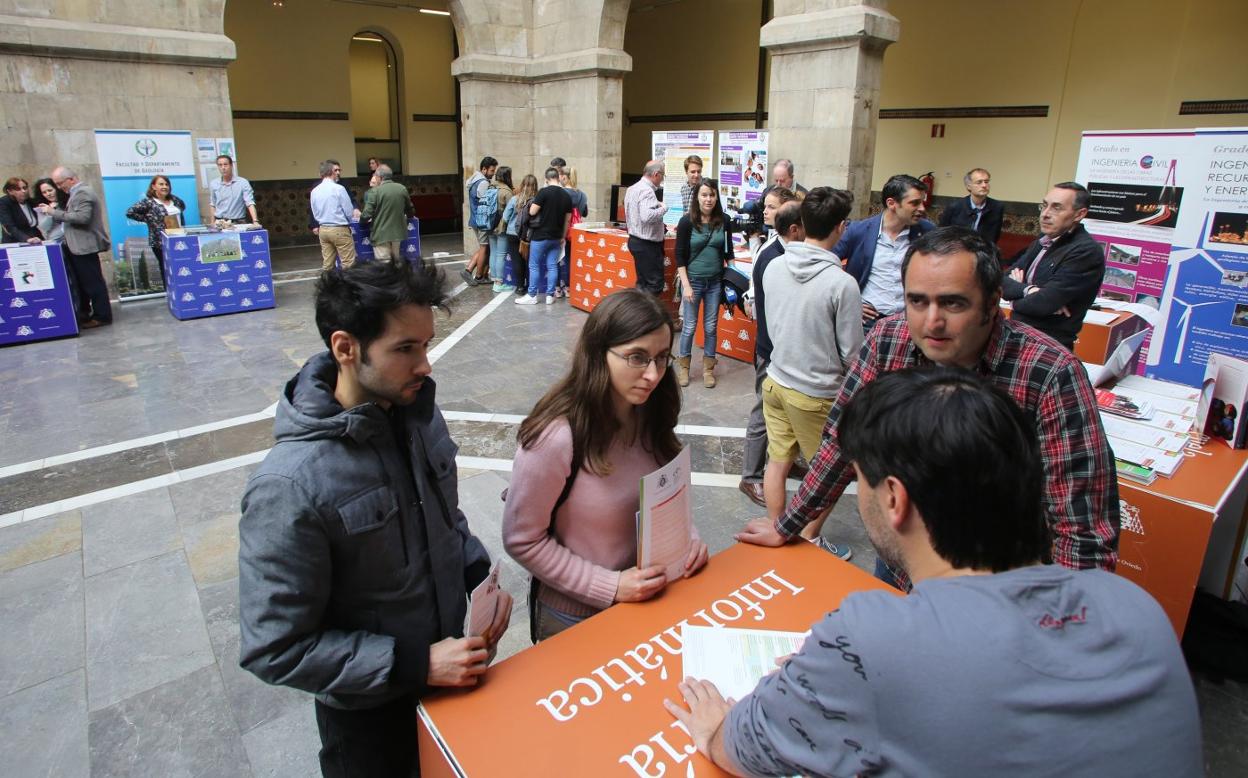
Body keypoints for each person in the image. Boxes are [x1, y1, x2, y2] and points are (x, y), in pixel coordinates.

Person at [668, 367, 1202, 778]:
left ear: (894, 497)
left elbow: (743, 747)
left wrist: (718, 727)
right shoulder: (1133, 607)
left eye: (862, 481)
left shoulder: (872, 640)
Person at [238, 260, 510, 777]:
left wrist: (480, 585)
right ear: (346, 348)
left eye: (426, 345)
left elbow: (445, 518)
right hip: (369, 723)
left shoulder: (415, 414)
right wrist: (416, 664)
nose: (425, 364)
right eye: (405, 349)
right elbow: (273, 645)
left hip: (452, 681)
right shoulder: (290, 486)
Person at [738, 227, 1120, 586]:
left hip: (1002, 582)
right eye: (917, 301)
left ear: (991, 304)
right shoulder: (889, 340)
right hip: (903, 565)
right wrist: (788, 524)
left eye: (953, 303)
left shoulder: (1049, 372)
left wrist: (1065, 628)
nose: (932, 321)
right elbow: (841, 440)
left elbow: (1080, 524)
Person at [503, 288, 708, 640]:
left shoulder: (651, 413)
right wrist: (610, 586)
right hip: (574, 621)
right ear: (599, 353)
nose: (653, 375)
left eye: (662, 358)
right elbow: (522, 539)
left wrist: (688, 540)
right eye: (637, 358)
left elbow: (665, 495)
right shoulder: (556, 437)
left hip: (649, 602)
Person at [760, 187, 862, 556]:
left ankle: (779, 528)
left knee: (778, 460)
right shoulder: (841, 283)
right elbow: (853, 352)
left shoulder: (774, 264)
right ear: (841, 227)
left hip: (776, 380)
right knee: (830, 475)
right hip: (816, 393)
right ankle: (808, 537)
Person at [739, 194, 801, 507]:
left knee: (783, 411)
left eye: (772, 207)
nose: (766, 211)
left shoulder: (787, 251)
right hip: (771, 350)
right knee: (763, 411)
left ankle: (786, 458)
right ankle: (750, 477)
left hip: (783, 350)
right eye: (767, 207)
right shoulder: (772, 254)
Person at [1002, 182, 1104, 350]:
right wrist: (1030, 291)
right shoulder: (1043, 241)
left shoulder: (1086, 251)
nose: (1045, 214)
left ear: (1079, 214)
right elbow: (1001, 281)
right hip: (1015, 337)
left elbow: (1044, 303)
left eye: (1056, 208)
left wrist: (1015, 298)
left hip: (1048, 347)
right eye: (1044, 205)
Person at [837, 173, 935, 331]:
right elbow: (828, 263)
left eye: (922, 202)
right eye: (915, 203)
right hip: (868, 323)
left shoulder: (927, 232)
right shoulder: (859, 231)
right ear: (892, 203)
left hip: (909, 322)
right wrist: (849, 302)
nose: (922, 209)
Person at [674, 180, 733, 389]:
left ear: (717, 197)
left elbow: (729, 253)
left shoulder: (724, 220)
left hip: (715, 283)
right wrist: (687, 285)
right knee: (689, 327)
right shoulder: (686, 222)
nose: (708, 199)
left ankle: (708, 369)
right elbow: (679, 256)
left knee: (710, 327)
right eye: (704, 195)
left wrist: (732, 279)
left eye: (712, 195)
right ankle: (684, 368)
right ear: (697, 197)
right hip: (693, 282)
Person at [37, 167, 112, 327]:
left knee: (93, 283)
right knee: (87, 282)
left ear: (71, 179)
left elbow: (82, 218)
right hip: (77, 246)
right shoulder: (76, 193)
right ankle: (95, 314)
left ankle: (102, 316)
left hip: (84, 246)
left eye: (60, 183)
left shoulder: (83, 192)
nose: (59, 187)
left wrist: (53, 212)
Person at [517, 167, 572, 306]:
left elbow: (532, 211)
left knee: (534, 265)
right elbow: (568, 220)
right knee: (552, 265)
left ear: (546, 179)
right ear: (558, 178)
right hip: (556, 237)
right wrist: (562, 236)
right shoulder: (566, 195)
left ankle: (532, 295)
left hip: (540, 236)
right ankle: (550, 295)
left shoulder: (543, 192)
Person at [125, 174, 186, 283]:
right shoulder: (148, 202)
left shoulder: (174, 199)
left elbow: (183, 206)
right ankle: (169, 293)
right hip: (160, 242)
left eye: (167, 184)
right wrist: (149, 219)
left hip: (179, 239)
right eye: (161, 184)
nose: (164, 187)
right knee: (166, 268)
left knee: (182, 266)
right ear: (153, 186)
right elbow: (130, 212)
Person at [624, 160, 668, 296]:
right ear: (656, 174)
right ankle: (646, 315)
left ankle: (638, 315)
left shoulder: (632, 188)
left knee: (642, 283)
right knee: (655, 285)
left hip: (635, 240)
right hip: (647, 244)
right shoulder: (647, 191)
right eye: (663, 175)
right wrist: (664, 208)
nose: (662, 179)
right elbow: (647, 216)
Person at [311, 159, 360, 272]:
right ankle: (347, 289)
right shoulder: (339, 188)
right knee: (348, 264)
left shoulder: (315, 191)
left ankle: (328, 287)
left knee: (327, 265)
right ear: (331, 172)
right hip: (339, 228)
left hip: (323, 229)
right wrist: (347, 221)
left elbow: (314, 211)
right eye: (336, 170)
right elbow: (348, 211)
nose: (338, 173)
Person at [360, 164, 413, 265]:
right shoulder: (401, 188)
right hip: (398, 233)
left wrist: (361, 220)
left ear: (379, 177)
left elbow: (366, 214)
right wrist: (409, 216)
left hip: (381, 235)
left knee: (384, 265)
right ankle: (397, 280)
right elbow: (410, 209)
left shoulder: (375, 191)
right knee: (395, 262)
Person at [939, 167, 1003, 244]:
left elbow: (994, 236)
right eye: (979, 182)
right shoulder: (955, 206)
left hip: (983, 250)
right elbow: (941, 233)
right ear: (969, 186)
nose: (984, 185)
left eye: (986, 182)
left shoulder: (997, 207)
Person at [463, 156, 497, 286]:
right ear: (484, 169)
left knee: (484, 247)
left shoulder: (474, 180)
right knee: (484, 247)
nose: (493, 174)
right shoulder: (483, 182)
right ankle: (477, 275)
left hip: (475, 219)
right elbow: (486, 202)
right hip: (482, 220)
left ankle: (470, 271)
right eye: (492, 171)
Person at [556, 165, 588, 299]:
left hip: (561, 230)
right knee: (570, 259)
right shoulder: (581, 194)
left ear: (564, 177)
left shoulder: (561, 193)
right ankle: (568, 288)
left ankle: (557, 288)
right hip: (575, 232)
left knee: (556, 259)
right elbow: (584, 213)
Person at [504, 173, 538, 295]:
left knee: (517, 260)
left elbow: (505, 217)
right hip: (529, 235)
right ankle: (530, 285)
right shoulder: (537, 202)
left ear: (522, 185)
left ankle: (519, 286)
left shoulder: (515, 199)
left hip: (513, 233)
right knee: (529, 261)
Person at [487, 166, 515, 292]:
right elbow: (512, 210)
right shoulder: (506, 191)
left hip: (489, 225)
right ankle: (499, 282)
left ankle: (494, 278)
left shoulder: (490, 187)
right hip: (501, 227)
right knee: (501, 254)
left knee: (493, 251)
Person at [209, 154, 258, 224]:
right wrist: (212, 222)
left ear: (231, 165)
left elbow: (249, 203)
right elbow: (213, 204)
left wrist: (255, 221)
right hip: (220, 222)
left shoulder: (243, 182)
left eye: (225, 164)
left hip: (238, 221)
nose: (223, 167)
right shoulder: (214, 183)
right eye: (220, 165)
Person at [1, 177, 42, 244]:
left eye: (25, 188)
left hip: (34, 240)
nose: (23, 191)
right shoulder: (4, 203)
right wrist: (27, 239)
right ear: (10, 191)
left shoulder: (31, 201)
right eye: (18, 189)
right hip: (14, 243)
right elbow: (9, 227)